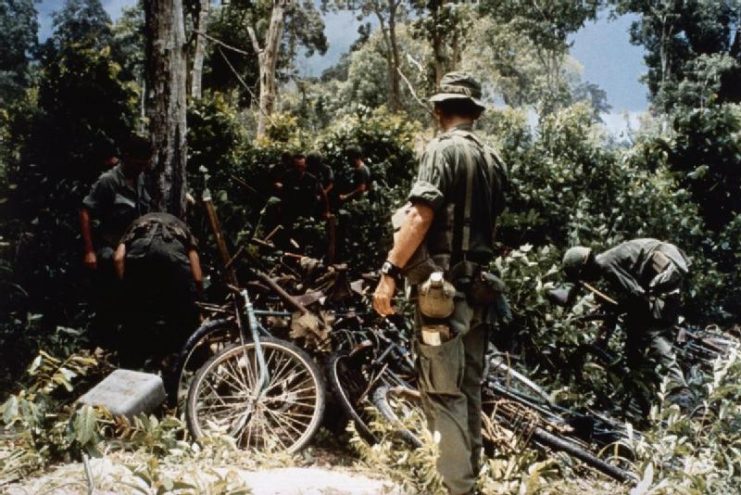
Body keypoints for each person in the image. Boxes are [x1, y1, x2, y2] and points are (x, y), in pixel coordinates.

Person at [373, 72, 507, 495]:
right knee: (467, 389)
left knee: (444, 393)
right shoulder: (492, 159)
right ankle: (468, 482)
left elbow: (419, 216)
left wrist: (390, 274)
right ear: (474, 113)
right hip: (481, 292)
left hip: (443, 297)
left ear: (438, 110)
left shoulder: (440, 151)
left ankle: (458, 490)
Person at [562, 238, 693, 408]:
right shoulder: (605, 261)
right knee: (636, 327)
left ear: (585, 268)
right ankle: (644, 384)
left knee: (652, 332)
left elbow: (636, 295)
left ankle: (679, 388)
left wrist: (621, 309)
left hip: (667, 267)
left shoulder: (606, 266)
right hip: (668, 261)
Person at [80, 134, 152, 343]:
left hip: (134, 246)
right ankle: (101, 340)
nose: (141, 167)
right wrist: (89, 250)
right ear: (127, 157)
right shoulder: (108, 181)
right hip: (109, 245)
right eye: (138, 162)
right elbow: (85, 211)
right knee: (110, 291)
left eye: (145, 163)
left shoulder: (140, 179)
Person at [113, 212, 202, 374]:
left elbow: (118, 258)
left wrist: (126, 290)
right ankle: (191, 365)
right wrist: (197, 297)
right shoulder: (181, 226)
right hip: (173, 258)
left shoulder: (136, 224)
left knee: (136, 317)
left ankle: (131, 367)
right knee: (185, 316)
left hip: (139, 257)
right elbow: (196, 273)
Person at [282, 153, 329, 223]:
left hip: (307, 212)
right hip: (291, 211)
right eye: (297, 166)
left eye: (301, 166)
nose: (299, 169)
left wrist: (326, 211)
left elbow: (322, 194)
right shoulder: (287, 176)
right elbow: (283, 194)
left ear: (305, 165)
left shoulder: (312, 179)